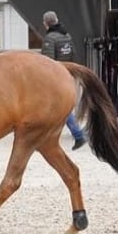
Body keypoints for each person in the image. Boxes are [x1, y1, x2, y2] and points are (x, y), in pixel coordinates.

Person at [40, 10, 87, 150]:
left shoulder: (50, 39)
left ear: (45, 24)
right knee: (61, 106)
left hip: (55, 77)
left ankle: (77, 134)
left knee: (59, 107)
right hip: (68, 74)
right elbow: (73, 54)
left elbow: (48, 62)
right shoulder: (66, 36)